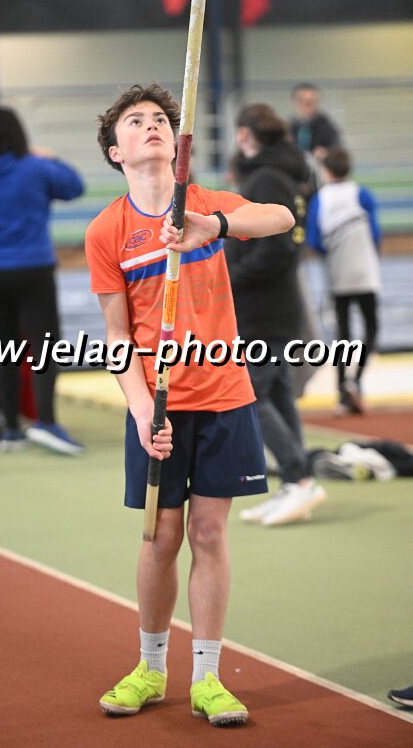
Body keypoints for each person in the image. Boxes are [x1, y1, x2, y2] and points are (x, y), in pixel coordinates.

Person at [84, 83, 294, 726]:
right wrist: (143, 412)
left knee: (208, 532)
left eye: (160, 120)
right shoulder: (107, 231)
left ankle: (207, 677)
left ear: (176, 145)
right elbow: (117, 338)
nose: (151, 125)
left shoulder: (201, 203)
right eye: (135, 122)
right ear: (116, 152)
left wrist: (214, 227)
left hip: (225, 396)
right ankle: (150, 667)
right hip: (159, 406)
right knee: (161, 536)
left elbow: (281, 218)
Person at [0, 106, 85, 454]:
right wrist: (51, 157)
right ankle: (47, 422)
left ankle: (10, 428)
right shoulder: (35, 166)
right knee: (45, 347)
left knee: (4, 347)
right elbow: (75, 187)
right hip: (32, 268)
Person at [224, 103, 327, 527]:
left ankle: (298, 478)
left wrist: (228, 278)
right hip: (275, 305)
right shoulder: (284, 174)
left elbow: (276, 248)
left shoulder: (267, 177)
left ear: (245, 135)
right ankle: (294, 482)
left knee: (251, 395)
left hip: (265, 308)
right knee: (278, 392)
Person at [306, 147, 381, 414]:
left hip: (337, 275)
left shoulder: (320, 199)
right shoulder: (362, 194)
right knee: (371, 327)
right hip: (366, 272)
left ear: (326, 171)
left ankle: (341, 392)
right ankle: (356, 380)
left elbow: (313, 240)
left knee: (342, 335)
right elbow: (375, 234)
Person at [289, 83, 341, 160]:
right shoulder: (288, 128)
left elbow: (337, 151)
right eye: (301, 101)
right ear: (294, 102)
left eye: (311, 101)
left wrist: (327, 154)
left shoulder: (327, 128)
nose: (306, 105)